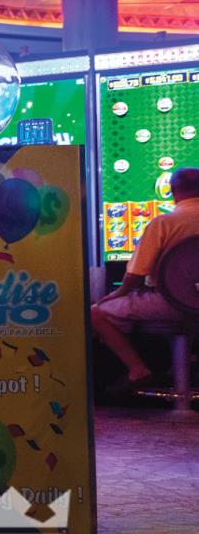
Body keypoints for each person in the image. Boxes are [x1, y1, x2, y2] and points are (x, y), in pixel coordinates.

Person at [92, 166, 199, 388]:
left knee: (96, 313)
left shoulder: (164, 223)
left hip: (169, 303)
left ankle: (138, 369)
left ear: (172, 191)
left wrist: (116, 295)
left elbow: (136, 275)